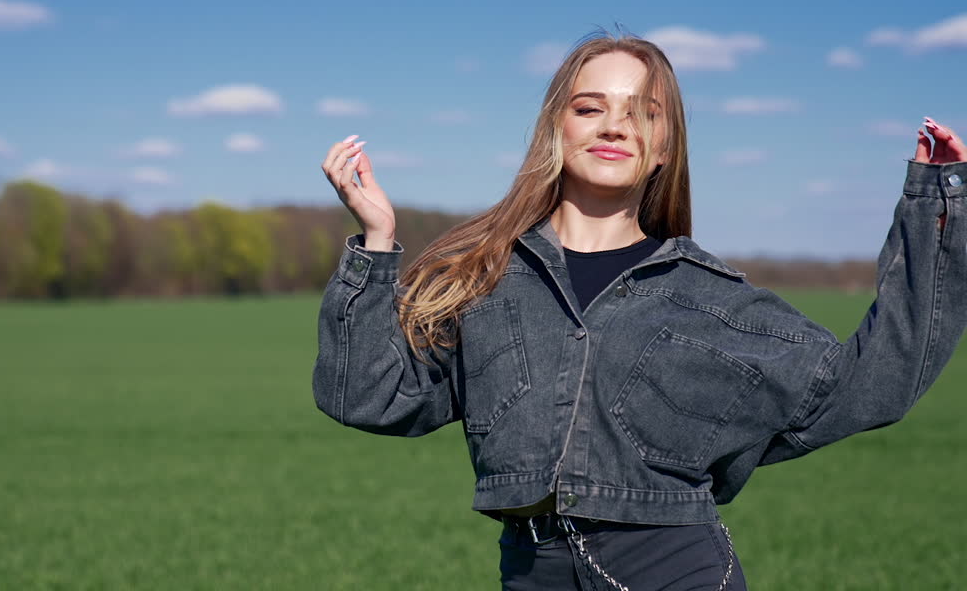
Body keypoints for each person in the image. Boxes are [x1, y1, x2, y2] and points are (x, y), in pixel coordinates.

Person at [313, 30, 967, 590]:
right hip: (529, 570)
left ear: (663, 147)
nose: (615, 124)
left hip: (673, 570)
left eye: (643, 111)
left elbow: (866, 386)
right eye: (590, 106)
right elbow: (366, 396)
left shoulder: (712, 299)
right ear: (555, 132)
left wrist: (936, 212)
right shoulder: (486, 279)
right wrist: (375, 241)